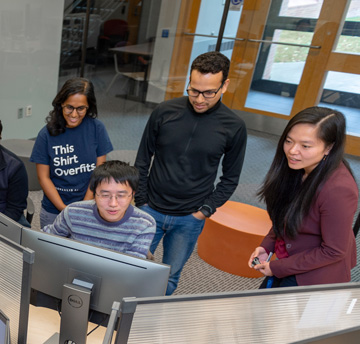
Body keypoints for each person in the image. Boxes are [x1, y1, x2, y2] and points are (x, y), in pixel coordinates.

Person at [134, 51, 247, 295]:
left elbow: (230, 178)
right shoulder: (164, 112)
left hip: (189, 217)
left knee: (169, 278)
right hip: (150, 209)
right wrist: (141, 201)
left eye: (209, 92)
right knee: (133, 270)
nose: (199, 99)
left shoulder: (234, 126)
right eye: (194, 90)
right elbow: (143, 159)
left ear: (224, 85)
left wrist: (204, 211)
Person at [249, 107, 358, 287]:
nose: (292, 151)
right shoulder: (298, 167)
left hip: (314, 275)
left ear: (329, 148)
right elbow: (286, 215)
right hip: (291, 258)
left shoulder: (338, 189)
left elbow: (334, 251)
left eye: (305, 146)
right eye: (289, 141)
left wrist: (278, 267)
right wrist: (266, 247)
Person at [30, 77, 113, 228]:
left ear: (89, 107)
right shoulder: (46, 134)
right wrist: (64, 209)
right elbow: (43, 178)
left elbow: (98, 173)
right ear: (61, 103)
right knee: (50, 251)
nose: (74, 114)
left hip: (88, 207)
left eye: (80, 108)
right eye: (69, 107)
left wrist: (82, 207)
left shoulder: (97, 129)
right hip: (54, 210)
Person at [43, 160, 155, 259]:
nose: (113, 204)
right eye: (105, 195)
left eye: (121, 195)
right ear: (94, 193)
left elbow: (132, 270)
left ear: (132, 194)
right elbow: (47, 240)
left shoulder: (144, 224)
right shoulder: (72, 212)